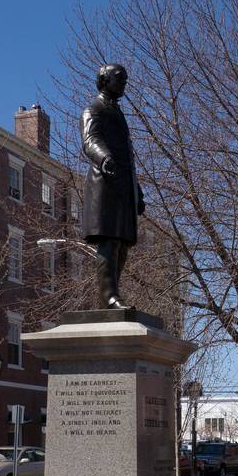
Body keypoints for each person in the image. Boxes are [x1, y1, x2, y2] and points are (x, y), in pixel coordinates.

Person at [81, 64, 145, 308]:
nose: (124, 83)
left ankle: (113, 294)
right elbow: (90, 140)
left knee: (123, 243)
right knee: (109, 241)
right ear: (104, 80)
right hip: (105, 184)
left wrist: (136, 191)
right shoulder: (93, 109)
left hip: (123, 186)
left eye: (125, 79)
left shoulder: (118, 113)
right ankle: (109, 297)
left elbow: (128, 157)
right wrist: (104, 157)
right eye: (120, 79)